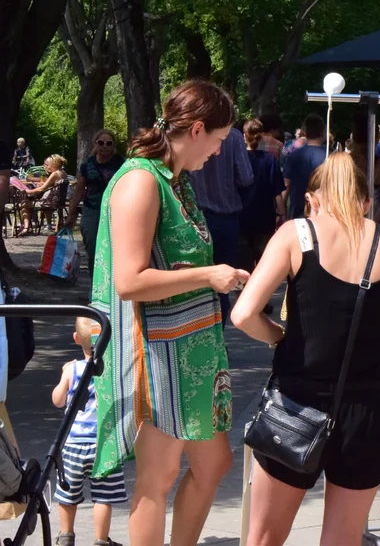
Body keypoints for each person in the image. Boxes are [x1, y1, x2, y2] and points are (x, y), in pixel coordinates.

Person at [231, 152, 380, 546]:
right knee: (344, 540)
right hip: (369, 411)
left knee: (263, 538)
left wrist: (279, 337)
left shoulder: (297, 234)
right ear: (367, 202)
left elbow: (243, 314)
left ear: (314, 199)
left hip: (297, 406)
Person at [91, 80, 248, 546]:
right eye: (219, 140)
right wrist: (207, 276)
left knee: (214, 463)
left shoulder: (174, 180)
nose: (219, 153)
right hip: (154, 357)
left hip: (189, 354)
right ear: (196, 129)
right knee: (157, 479)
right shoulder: (141, 180)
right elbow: (129, 281)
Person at [51, 317, 126, 546]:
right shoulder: (111, 371)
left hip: (73, 443)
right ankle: (101, 540)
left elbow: (57, 400)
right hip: (103, 444)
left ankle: (66, 535)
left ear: (76, 339)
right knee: (103, 496)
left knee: (67, 493)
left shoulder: (72, 369)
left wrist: (64, 376)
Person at [188, 122, 254, 321]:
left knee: (196, 282)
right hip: (224, 218)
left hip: (194, 217)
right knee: (223, 282)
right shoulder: (233, 137)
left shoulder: (193, 135)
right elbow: (246, 177)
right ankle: (218, 336)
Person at [65, 130, 125, 274]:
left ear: (113, 145)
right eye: (101, 143)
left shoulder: (121, 162)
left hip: (115, 211)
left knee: (114, 249)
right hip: (91, 209)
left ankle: (114, 285)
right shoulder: (88, 164)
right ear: (95, 144)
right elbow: (79, 190)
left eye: (108, 143)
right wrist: (71, 214)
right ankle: (95, 284)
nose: (104, 146)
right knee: (92, 247)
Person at [238, 119, 286, 273]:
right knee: (263, 264)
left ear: (244, 136)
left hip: (241, 218)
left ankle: (245, 294)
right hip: (264, 218)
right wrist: (282, 215)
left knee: (243, 266)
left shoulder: (239, 160)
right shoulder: (269, 159)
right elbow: (277, 192)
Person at [348, 114, 380, 223]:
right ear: (376, 137)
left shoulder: (345, 162)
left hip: (347, 224)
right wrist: (372, 225)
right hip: (374, 225)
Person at [282, 114, 326, 219]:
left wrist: (281, 211)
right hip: (324, 214)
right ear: (323, 132)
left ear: (305, 132)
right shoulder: (331, 157)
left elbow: (286, 185)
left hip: (298, 213)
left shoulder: (294, 156)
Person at [16, 154, 67, 237]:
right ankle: (28, 226)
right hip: (59, 201)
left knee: (24, 204)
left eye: (47, 165)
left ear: (53, 164)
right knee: (28, 202)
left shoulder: (55, 174)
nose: (46, 167)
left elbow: (41, 189)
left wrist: (28, 191)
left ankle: (26, 227)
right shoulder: (63, 173)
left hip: (49, 202)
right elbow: (51, 185)